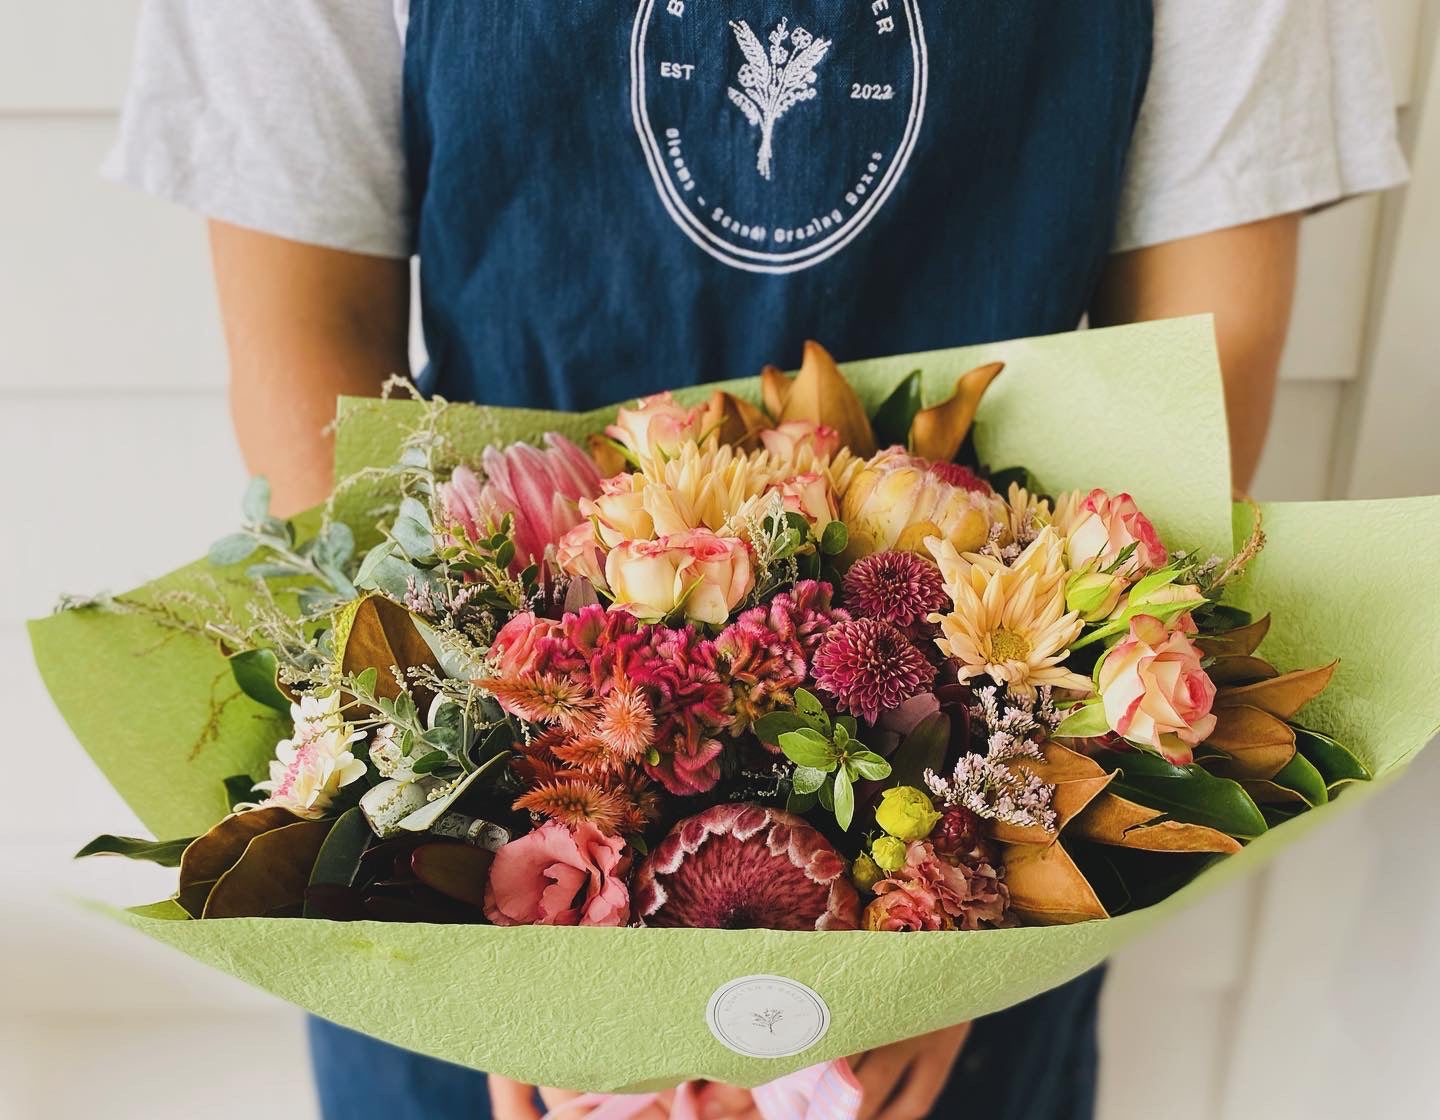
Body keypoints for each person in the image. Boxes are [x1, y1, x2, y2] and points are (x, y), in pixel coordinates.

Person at [107, 2, 1406, 1118]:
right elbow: (306, 365)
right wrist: (519, 915)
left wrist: (946, 932)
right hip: (478, 802)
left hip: (971, 804)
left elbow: (1200, 366)